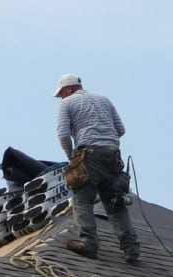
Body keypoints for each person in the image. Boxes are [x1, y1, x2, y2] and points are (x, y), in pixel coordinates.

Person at [54, 74, 140, 262]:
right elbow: (121, 129)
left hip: (89, 154)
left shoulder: (67, 104)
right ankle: (131, 247)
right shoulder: (104, 99)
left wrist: (72, 158)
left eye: (61, 93)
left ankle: (89, 244)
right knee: (115, 203)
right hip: (112, 155)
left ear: (68, 89)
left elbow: (63, 134)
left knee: (82, 200)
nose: (61, 97)